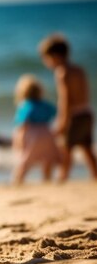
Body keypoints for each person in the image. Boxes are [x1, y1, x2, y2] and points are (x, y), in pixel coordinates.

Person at [39, 33, 97, 182]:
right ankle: (95, 175)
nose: (46, 63)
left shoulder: (61, 73)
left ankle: (62, 178)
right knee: (87, 148)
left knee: (66, 149)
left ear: (55, 56)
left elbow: (65, 99)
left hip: (73, 116)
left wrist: (62, 120)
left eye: (46, 58)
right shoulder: (79, 69)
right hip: (87, 112)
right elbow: (85, 93)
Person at [11, 74, 60, 185]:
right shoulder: (46, 105)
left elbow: (22, 123)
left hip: (33, 134)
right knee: (47, 159)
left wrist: (19, 140)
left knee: (25, 160)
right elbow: (57, 112)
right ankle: (46, 180)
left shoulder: (25, 105)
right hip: (47, 132)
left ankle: (18, 181)